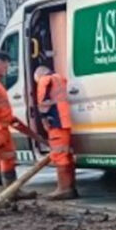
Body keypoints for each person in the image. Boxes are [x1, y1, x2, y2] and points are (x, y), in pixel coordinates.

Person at [0, 49, 37, 201]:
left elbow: (0, 109)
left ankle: (12, 191)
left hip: (1, 128)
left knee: (8, 157)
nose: (6, 69)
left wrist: (10, 119)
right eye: (5, 66)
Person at [34, 64, 77, 200]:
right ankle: (70, 188)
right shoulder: (60, 78)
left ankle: (64, 189)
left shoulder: (44, 80)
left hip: (55, 122)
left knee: (59, 154)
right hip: (64, 120)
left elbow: (43, 104)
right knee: (66, 154)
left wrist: (44, 120)